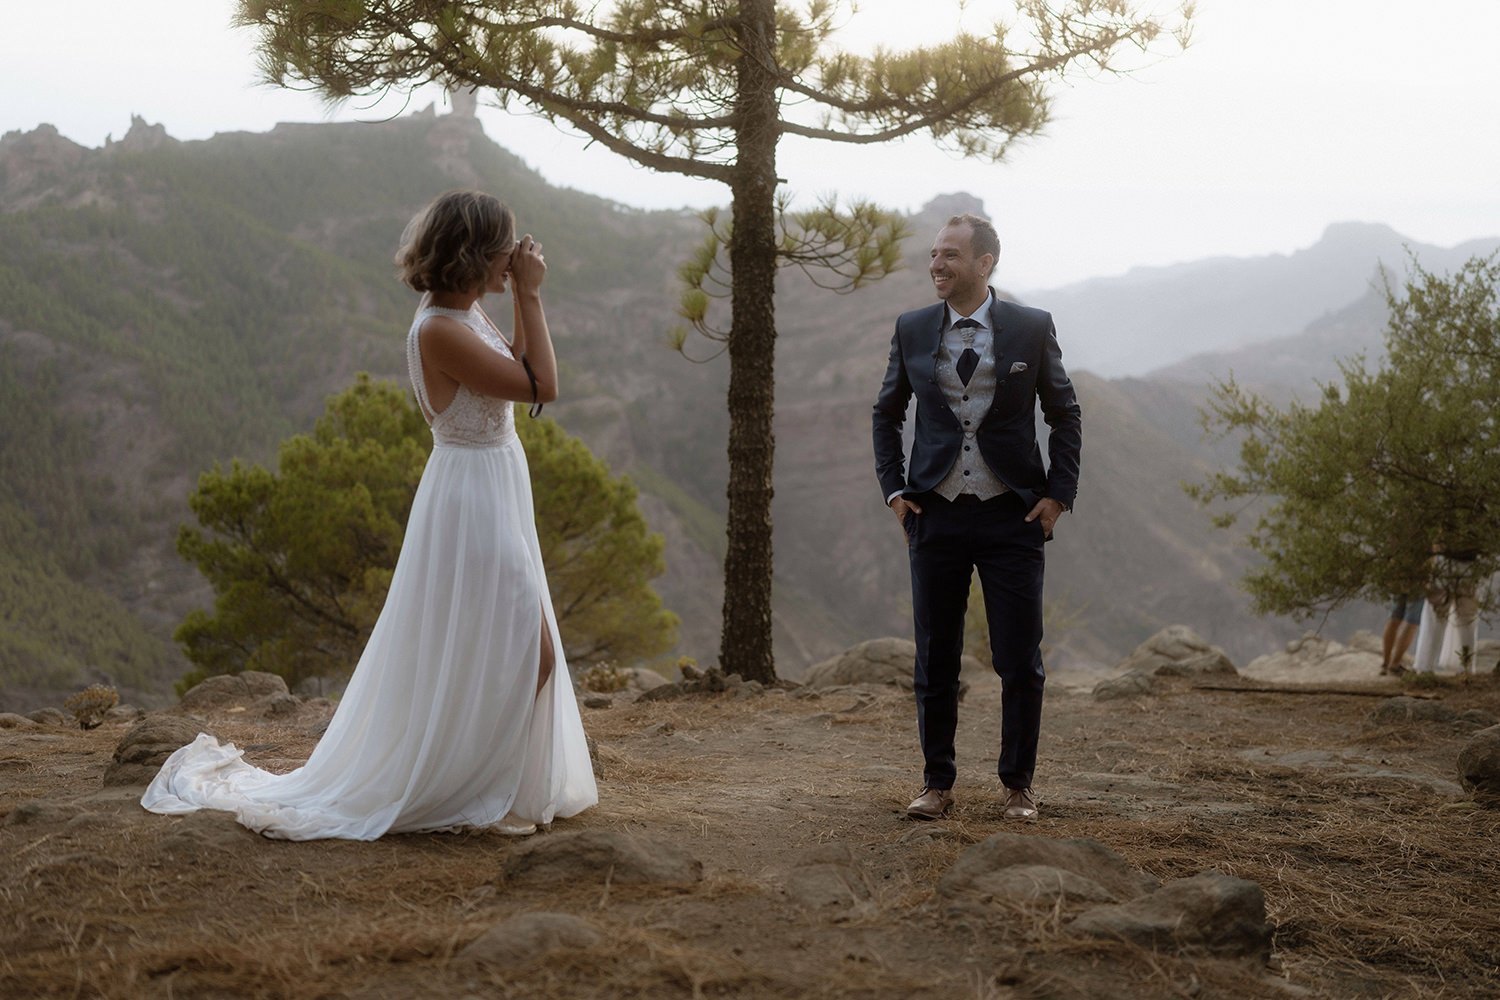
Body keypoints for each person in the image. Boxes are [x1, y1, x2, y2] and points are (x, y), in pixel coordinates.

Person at [142, 190, 598, 839]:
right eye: (506, 249)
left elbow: (521, 368)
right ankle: (468, 784)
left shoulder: (462, 313)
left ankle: (493, 783)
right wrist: (530, 293)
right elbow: (542, 387)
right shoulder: (441, 327)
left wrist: (520, 295)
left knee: (502, 643)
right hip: (471, 497)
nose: (516, 258)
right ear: (474, 254)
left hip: (493, 483)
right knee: (530, 650)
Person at [872, 213, 1081, 823]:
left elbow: (1065, 414)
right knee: (934, 655)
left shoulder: (1030, 327)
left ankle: (1018, 785)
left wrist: (1058, 495)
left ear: (986, 262)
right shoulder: (911, 328)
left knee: (1019, 658)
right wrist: (894, 491)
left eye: (951, 255)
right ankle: (936, 783)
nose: (937, 264)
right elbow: (885, 413)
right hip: (934, 514)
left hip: (1011, 518)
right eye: (935, 254)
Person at [1380, 595, 1422, 675]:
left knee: (1394, 618)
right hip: (1418, 586)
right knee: (1411, 623)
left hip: (1400, 584)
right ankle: (1394, 664)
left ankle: (1386, 662)